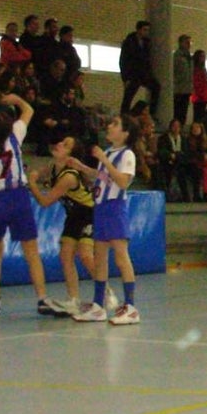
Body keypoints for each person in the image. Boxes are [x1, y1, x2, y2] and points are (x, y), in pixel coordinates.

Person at [0, 94, 66, 317]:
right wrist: (16, 99)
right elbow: (29, 110)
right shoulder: (15, 133)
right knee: (31, 250)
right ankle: (42, 297)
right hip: (18, 196)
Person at [27, 134, 117, 314]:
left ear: (71, 155)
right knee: (65, 255)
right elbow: (38, 173)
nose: (59, 144)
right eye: (61, 141)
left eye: (66, 145)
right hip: (74, 215)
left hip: (89, 213)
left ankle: (107, 291)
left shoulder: (69, 177)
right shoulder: (53, 166)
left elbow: (45, 202)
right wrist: (32, 174)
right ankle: (74, 299)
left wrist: (32, 184)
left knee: (85, 254)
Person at [70, 114, 142, 324]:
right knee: (99, 257)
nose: (110, 126)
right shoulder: (109, 152)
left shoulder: (127, 155)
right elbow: (104, 178)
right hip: (100, 207)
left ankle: (131, 307)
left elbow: (122, 182)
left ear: (125, 133)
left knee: (120, 255)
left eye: (115, 124)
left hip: (115, 207)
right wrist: (83, 168)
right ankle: (98, 306)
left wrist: (103, 160)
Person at [119, 21, 160, 115]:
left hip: (144, 73)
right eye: (144, 30)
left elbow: (147, 60)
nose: (146, 32)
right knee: (128, 97)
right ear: (138, 30)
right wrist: (125, 78)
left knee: (156, 87)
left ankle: (152, 113)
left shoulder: (146, 42)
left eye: (147, 30)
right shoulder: (129, 42)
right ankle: (124, 115)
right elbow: (123, 61)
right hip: (133, 74)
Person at [171, 34, 193, 125]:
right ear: (181, 43)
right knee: (177, 112)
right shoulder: (176, 56)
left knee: (184, 112)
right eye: (186, 42)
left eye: (189, 43)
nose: (188, 44)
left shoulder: (189, 57)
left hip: (187, 89)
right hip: (178, 89)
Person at [190, 49, 207, 124]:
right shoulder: (195, 69)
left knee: (201, 115)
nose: (203, 58)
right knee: (198, 115)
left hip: (203, 96)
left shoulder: (203, 69)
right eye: (202, 56)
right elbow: (196, 82)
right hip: (198, 96)